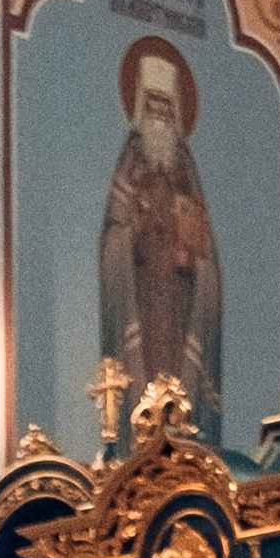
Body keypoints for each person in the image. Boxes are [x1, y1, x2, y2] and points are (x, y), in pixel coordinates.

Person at [100, 40, 221, 436]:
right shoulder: (131, 165)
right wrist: (133, 234)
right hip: (145, 294)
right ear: (139, 108)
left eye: (167, 109)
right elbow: (112, 241)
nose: (160, 117)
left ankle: (181, 422)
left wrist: (194, 261)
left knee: (177, 370)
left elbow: (208, 260)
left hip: (179, 300)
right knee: (146, 367)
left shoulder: (188, 172)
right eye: (151, 106)